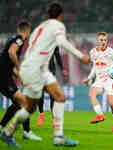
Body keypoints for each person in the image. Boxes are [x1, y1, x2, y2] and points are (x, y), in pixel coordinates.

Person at [0, 2, 89, 147]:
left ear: (48, 14)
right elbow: (61, 41)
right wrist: (80, 55)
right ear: (61, 15)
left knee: (34, 106)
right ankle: (11, 132)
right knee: (48, 101)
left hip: (34, 67)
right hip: (37, 68)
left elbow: (31, 49)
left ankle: (9, 132)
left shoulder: (39, 28)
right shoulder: (58, 26)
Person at [0, 21, 41, 141]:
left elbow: (7, 60)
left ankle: (2, 126)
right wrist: (19, 68)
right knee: (26, 104)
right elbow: (11, 53)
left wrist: (17, 74)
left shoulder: (11, 38)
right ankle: (26, 132)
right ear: (27, 31)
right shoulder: (19, 39)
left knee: (17, 104)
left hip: (4, 75)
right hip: (3, 77)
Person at [83, 32, 113, 132]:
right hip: (99, 80)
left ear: (107, 41)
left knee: (112, 104)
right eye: (101, 40)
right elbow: (95, 66)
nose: (103, 42)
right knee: (91, 94)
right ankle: (100, 115)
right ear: (97, 41)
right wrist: (89, 78)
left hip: (110, 80)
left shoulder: (112, 52)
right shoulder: (93, 52)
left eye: (105, 40)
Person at [37, 46, 67, 126]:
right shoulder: (41, 42)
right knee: (40, 95)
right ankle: (41, 113)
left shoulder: (55, 45)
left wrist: (62, 69)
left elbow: (57, 57)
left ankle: (54, 118)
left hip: (51, 71)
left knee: (53, 95)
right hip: (40, 71)